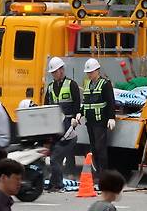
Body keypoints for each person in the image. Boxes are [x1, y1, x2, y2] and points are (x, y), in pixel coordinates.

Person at [45, 57, 81, 192]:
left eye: (56, 71)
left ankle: (65, 178)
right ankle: (55, 181)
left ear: (62, 70)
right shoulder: (50, 87)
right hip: (55, 125)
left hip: (68, 124)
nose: (54, 74)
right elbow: (46, 106)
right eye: (52, 72)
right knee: (55, 155)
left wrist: (76, 117)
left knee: (65, 153)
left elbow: (77, 103)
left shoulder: (71, 84)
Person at [76, 58, 116, 174]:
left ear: (97, 70)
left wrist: (111, 117)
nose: (89, 74)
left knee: (101, 149)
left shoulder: (105, 84)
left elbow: (110, 101)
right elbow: (85, 102)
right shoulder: (88, 84)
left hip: (100, 122)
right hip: (90, 122)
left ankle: (103, 175)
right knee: (94, 149)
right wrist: (80, 112)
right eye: (88, 72)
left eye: (91, 72)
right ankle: (98, 173)